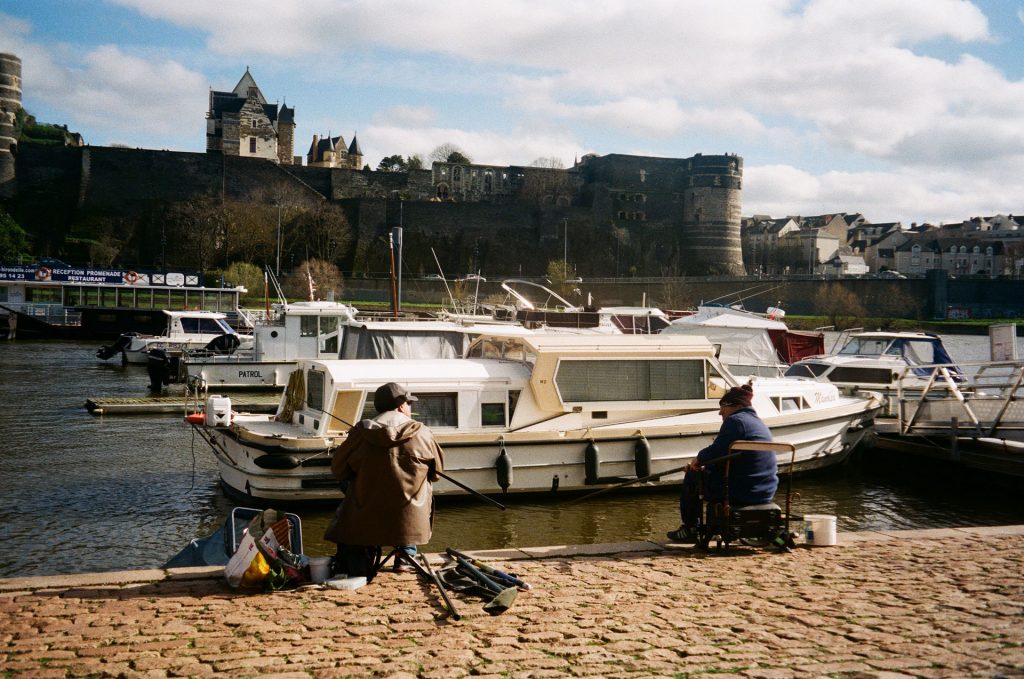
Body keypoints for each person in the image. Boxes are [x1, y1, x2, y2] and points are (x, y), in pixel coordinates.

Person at [324, 382, 444, 574]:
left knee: (349, 482)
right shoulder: (423, 432)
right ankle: (405, 554)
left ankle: (362, 547)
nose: (410, 407)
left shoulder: (360, 433)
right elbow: (437, 474)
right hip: (409, 514)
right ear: (400, 406)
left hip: (367, 509)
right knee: (424, 483)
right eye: (408, 403)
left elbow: (338, 470)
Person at [667, 382, 778, 543]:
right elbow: (728, 457)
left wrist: (697, 461)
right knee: (701, 473)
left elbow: (715, 451)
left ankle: (690, 528)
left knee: (692, 476)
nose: (720, 412)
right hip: (766, 490)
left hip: (740, 492)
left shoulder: (736, 421)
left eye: (723, 406)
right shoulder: (759, 423)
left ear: (737, 406)